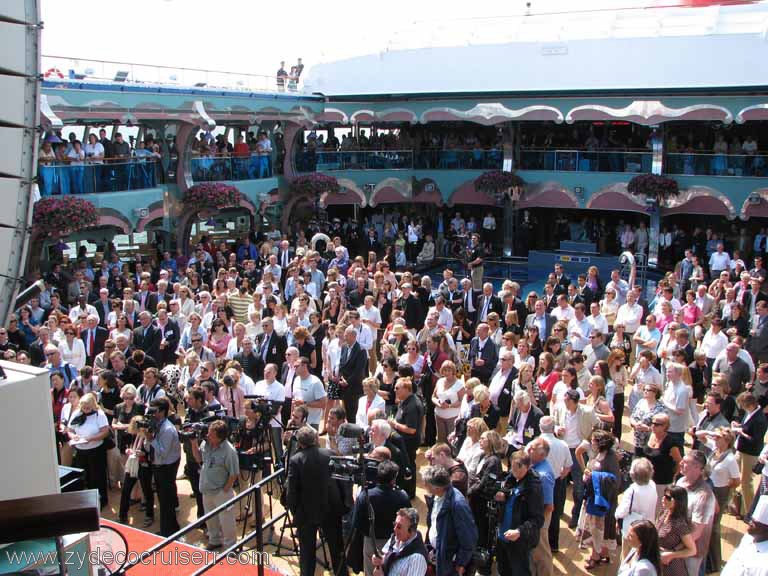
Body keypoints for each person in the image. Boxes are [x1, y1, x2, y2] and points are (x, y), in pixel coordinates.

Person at [287, 426, 347, 576]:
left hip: (306, 513)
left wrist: (295, 511)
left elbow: (292, 490)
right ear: (315, 440)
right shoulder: (330, 454)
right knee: (336, 549)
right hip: (331, 509)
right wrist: (343, 503)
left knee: (307, 553)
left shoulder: (295, 460)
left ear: (300, 443)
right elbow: (342, 481)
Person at [352, 460, 411, 576]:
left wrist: (368, 533)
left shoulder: (365, 495)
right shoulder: (402, 497)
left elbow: (356, 522)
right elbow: (410, 522)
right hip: (395, 543)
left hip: (371, 542)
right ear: (394, 478)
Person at [190, 420, 239, 551]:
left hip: (221, 492)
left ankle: (231, 546)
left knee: (226, 521)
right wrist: (193, 444)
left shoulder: (229, 451)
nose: (207, 435)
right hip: (207, 490)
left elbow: (233, 474)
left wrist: (225, 491)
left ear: (220, 437)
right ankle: (215, 540)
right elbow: (199, 459)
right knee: (210, 519)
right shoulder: (206, 444)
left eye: (211, 434)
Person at [494, 450, 545, 576]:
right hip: (502, 536)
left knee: (520, 571)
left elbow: (538, 519)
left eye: (518, 470)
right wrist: (501, 495)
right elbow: (503, 491)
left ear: (527, 467)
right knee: (503, 570)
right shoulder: (510, 478)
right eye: (512, 468)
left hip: (519, 541)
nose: (514, 473)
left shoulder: (533, 487)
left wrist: (519, 531)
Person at [422, 465, 477, 576]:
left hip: (450, 563)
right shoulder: (435, 497)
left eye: (426, 484)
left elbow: (469, 538)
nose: (424, 485)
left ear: (437, 487)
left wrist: (461, 563)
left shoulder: (457, 505)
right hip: (436, 555)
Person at [65, 392, 110, 508]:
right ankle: (87, 500)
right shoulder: (77, 413)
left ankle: (101, 500)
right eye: (84, 407)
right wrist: (73, 436)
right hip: (81, 450)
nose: (85, 410)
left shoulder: (99, 414)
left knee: (97, 476)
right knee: (85, 476)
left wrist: (92, 438)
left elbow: (105, 431)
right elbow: (69, 429)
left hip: (95, 450)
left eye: (88, 408)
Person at [675, 450, 715, 576]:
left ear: (697, 467)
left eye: (686, 462)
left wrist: (674, 549)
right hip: (676, 542)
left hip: (692, 551)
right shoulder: (681, 482)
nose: (680, 463)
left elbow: (696, 532)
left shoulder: (704, 496)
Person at [145, 397, 181, 537]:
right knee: (164, 500)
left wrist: (151, 439)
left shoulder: (167, 429)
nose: (152, 413)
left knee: (167, 501)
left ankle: (169, 532)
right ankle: (170, 529)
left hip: (166, 468)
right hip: (159, 466)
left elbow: (163, 453)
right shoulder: (156, 424)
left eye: (155, 410)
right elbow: (150, 448)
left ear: (162, 411)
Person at [734, 391, 768, 518]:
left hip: (750, 454)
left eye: (742, 406)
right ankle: (738, 507)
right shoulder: (751, 413)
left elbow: (755, 440)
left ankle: (749, 512)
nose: (741, 408)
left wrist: (741, 433)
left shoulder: (760, 419)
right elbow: (747, 427)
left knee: (746, 482)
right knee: (734, 475)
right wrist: (739, 426)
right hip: (741, 450)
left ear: (748, 405)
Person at [615, 458, 658, 559]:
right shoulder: (652, 485)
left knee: (627, 557)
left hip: (633, 530)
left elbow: (622, 511)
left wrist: (616, 515)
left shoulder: (632, 490)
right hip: (648, 525)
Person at [390, 378, 424, 499]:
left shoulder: (412, 405)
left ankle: (409, 493)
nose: (395, 390)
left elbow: (411, 429)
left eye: (397, 388)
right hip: (403, 440)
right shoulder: (404, 400)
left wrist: (394, 424)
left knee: (409, 465)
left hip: (409, 441)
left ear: (407, 389)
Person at [371, 507, 428, 576]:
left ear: (411, 530)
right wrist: (378, 559)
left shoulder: (417, 558)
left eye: (399, 527)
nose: (395, 529)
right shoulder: (394, 539)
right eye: (395, 524)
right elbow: (385, 559)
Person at [721, 494, 768, 576]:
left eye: (755, 523)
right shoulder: (748, 537)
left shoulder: (765, 563)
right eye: (752, 520)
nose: (749, 522)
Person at [657, 485, 696, 576]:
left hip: (672, 568)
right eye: (664, 495)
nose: (663, 498)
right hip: (659, 564)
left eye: (667, 497)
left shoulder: (679, 524)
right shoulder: (665, 512)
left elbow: (692, 550)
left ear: (676, 501)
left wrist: (670, 555)